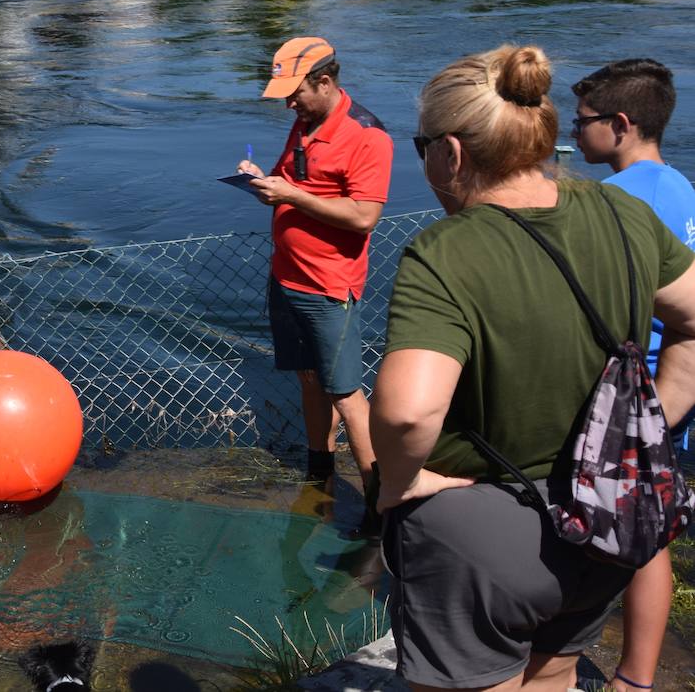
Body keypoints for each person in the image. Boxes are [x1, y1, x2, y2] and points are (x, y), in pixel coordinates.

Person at [370, 44, 695, 690]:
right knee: (555, 677)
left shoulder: (446, 251)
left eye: (421, 146)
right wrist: (652, 418)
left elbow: (408, 412)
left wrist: (400, 482)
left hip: (483, 537)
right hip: (605, 518)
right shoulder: (624, 214)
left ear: (451, 153)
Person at [571, 58, 695, 692]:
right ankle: (636, 679)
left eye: (583, 120)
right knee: (652, 532)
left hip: (625, 398)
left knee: (595, 529)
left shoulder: (614, 203)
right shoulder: (680, 187)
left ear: (619, 124)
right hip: (675, 388)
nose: (573, 131)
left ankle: (559, 656)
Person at [236, 36, 392, 516]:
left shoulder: (368, 135)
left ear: (324, 82)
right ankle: (319, 475)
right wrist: (263, 181)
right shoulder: (305, 123)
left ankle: (380, 503)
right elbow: (295, 183)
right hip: (286, 278)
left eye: (295, 93)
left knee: (346, 394)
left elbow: (364, 216)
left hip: (328, 287)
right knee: (309, 379)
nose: (289, 104)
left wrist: (291, 196)